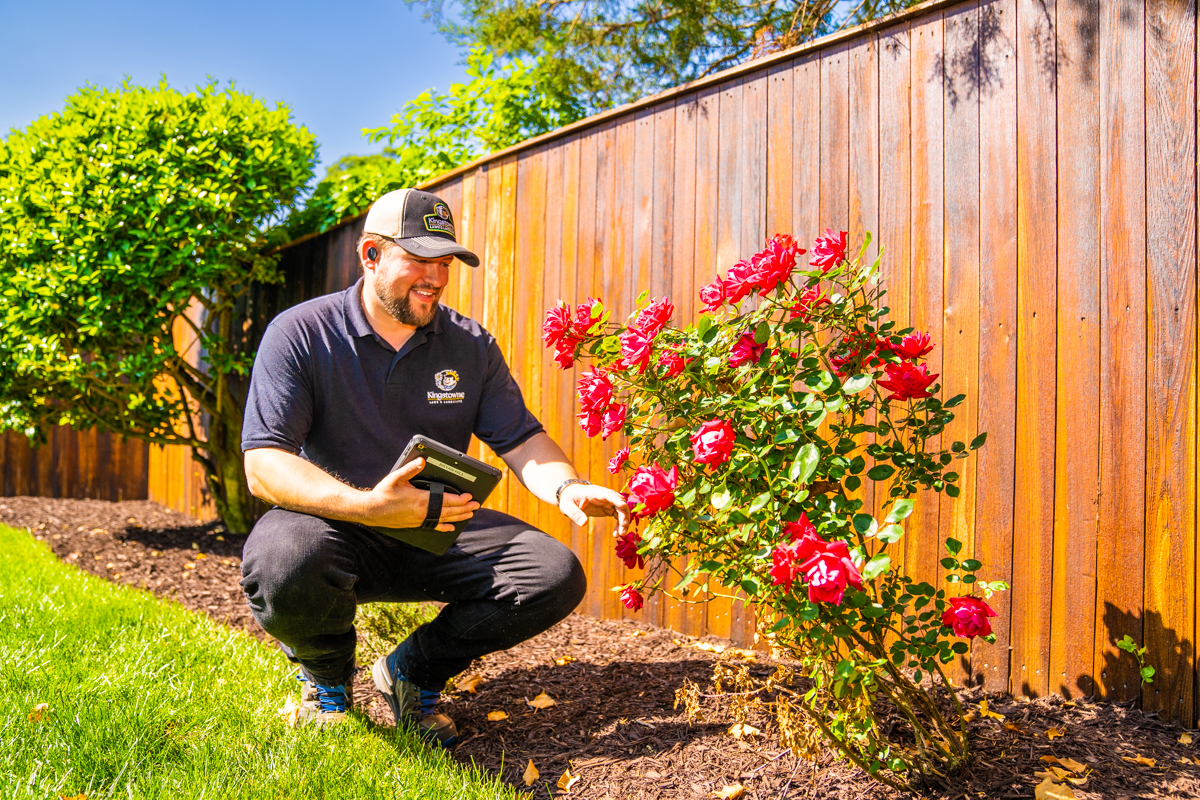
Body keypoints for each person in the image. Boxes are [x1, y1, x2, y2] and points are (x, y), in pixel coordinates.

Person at [239, 188, 629, 744]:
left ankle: (410, 672)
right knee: (282, 557)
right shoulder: (301, 333)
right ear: (371, 255)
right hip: (335, 527)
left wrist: (566, 487)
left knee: (552, 574)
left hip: (436, 522)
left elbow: (519, 438)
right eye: (419, 259)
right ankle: (326, 679)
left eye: (444, 262)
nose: (436, 277)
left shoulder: (469, 344)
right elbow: (265, 464)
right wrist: (370, 506)